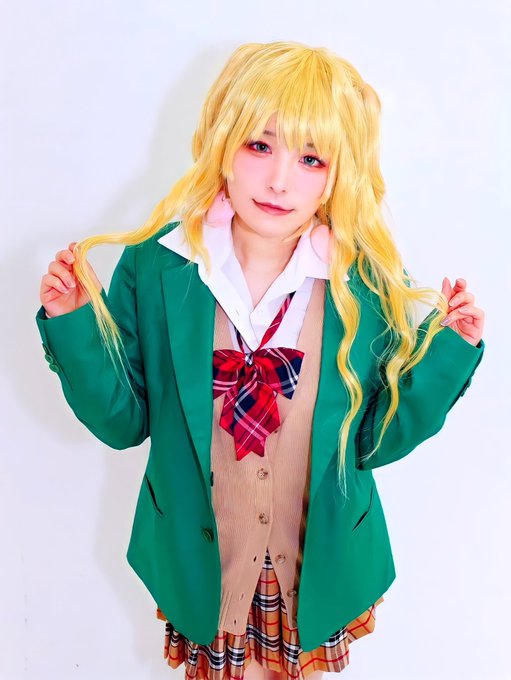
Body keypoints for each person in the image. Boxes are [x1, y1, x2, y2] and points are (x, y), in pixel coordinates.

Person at [36, 40, 486, 680]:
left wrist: (449, 353)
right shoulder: (156, 266)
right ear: (223, 142)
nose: (280, 180)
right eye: (259, 145)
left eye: (310, 158)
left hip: (315, 563)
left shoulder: (367, 284)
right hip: (202, 562)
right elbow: (122, 421)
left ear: (337, 174)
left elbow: (374, 442)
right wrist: (75, 321)